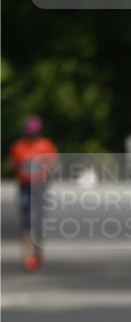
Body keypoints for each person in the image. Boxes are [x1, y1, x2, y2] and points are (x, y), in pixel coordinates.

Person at [8, 115, 59, 271]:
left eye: (34, 132)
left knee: (38, 221)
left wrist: (46, 172)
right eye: (29, 132)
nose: (31, 135)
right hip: (24, 186)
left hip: (40, 187)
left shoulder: (46, 145)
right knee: (27, 222)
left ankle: (38, 251)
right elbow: (12, 166)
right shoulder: (18, 146)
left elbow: (55, 166)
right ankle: (28, 256)